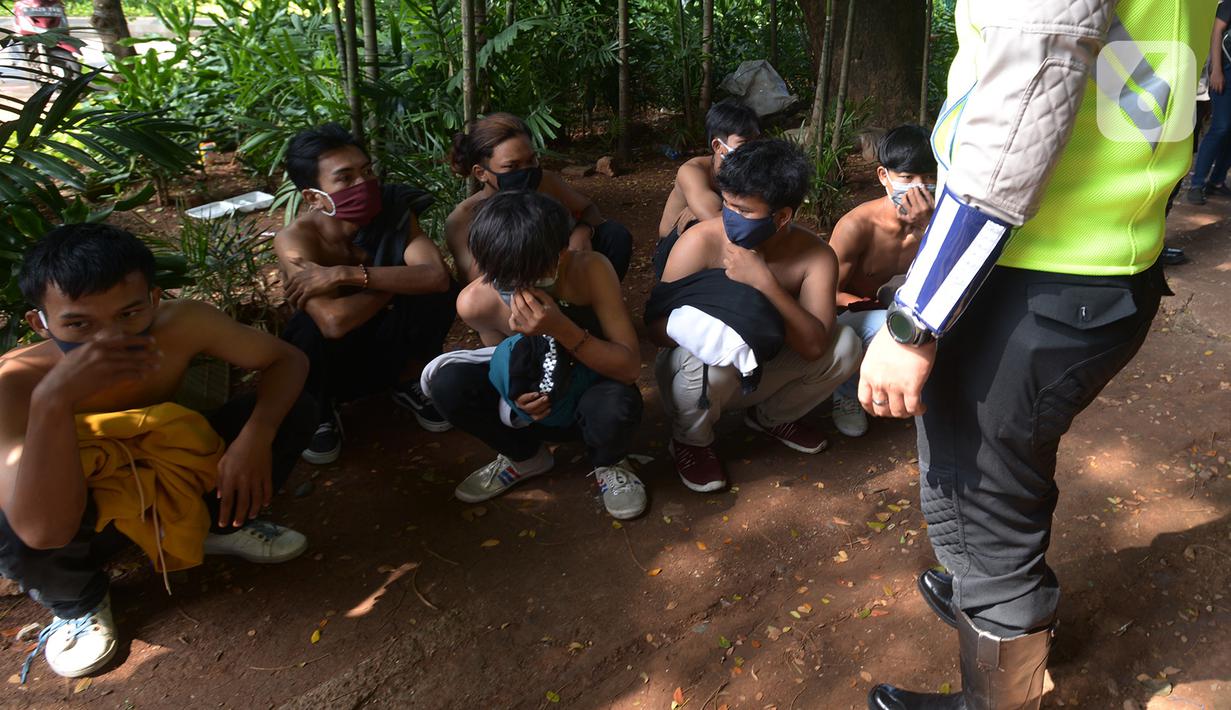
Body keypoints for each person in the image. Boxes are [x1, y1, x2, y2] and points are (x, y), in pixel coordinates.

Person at [860, 1, 1212, 708]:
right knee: (1002, 473)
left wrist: (914, 321)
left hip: (1031, 273)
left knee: (979, 494)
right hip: (1111, 260)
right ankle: (999, 605)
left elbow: (1010, 135)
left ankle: (998, 670)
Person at [0, 224, 314, 681]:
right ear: (41, 323)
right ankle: (78, 601)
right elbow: (39, 530)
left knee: (293, 409)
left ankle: (214, 523)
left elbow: (288, 360)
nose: (109, 340)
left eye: (128, 314)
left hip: (169, 466)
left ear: (154, 299)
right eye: (79, 324)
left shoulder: (183, 324)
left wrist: (255, 438)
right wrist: (53, 400)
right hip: (81, 510)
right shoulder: (15, 382)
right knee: (8, 510)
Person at [652, 139, 862, 493]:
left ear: (782, 216)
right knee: (704, 357)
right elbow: (656, 330)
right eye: (727, 203)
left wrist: (765, 284)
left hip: (763, 367)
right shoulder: (700, 242)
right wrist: (723, 323)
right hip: (696, 373)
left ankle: (772, 417)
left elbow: (814, 347)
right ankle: (691, 440)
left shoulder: (815, 256)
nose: (730, 215)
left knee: (846, 343)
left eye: (744, 210)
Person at [426, 190, 647, 519]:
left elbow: (629, 369)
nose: (520, 286)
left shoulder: (591, 271)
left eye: (532, 272)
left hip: (591, 397)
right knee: (447, 382)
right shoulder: (476, 302)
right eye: (505, 276)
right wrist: (516, 394)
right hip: (535, 413)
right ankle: (524, 457)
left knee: (615, 405)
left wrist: (561, 328)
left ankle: (609, 461)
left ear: (562, 254)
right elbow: (507, 364)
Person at [277, 124, 457, 465]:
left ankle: (406, 380)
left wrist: (347, 275)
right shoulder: (295, 241)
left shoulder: (392, 210)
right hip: (335, 359)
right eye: (345, 178)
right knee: (307, 326)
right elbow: (332, 322)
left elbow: (435, 276)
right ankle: (319, 407)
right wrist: (394, 284)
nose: (363, 184)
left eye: (367, 171)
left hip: (384, 340)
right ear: (314, 197)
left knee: (440, 293)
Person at [827, 125, 936, 438]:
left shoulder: (936, 219)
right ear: (883, 176)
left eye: (927, 177)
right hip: (850, 313)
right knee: (885, 322)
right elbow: (824, 292)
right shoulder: (858, 225)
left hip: (895, 303)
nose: (919, 188)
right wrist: (865, 304)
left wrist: (929, 227)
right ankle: (847, 396)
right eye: (906, 177)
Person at [446, 113, 633, 284]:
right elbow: (475, 282)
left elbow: (588, 209)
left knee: (614, 235)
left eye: (531, 160)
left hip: (564, 273)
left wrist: (582, 231)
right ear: (481, 173)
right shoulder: (462, 218)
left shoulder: (545, 181)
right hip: (514, 295)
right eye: (512, 166)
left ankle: (598, 308)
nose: (526, 171)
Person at [653, 99, 762, 277]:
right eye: (744, 144)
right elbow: (718, 221)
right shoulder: (692, 171)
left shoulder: (752, 169)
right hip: (674, 247)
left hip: (716, 242)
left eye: (756, 143)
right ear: (718, 146)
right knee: (703, 225)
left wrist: (708, 210)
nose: (752, 151)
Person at [1187, 0, 1231, 204]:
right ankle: (1196, 184)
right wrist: (1216, 70)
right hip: (1226, 72)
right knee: (1220, 127)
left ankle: (1217, 181)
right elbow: (1216, 32)